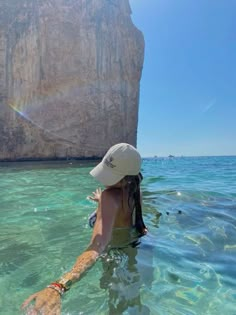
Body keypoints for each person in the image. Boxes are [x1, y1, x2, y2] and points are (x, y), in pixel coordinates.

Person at [22, 143, 147, 314]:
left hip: (111, 254)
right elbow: (126, 217)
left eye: (110, 175)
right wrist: (101, 203)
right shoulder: (135, 192)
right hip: (132, 247)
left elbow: (97, 247)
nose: (103, 180)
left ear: (126, 178)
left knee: (109, 292)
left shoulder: (109, 197)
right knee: (126, 298)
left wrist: (58, 286)